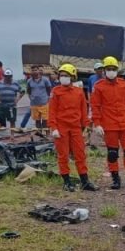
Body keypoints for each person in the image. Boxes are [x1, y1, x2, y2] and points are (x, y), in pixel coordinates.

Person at [90, 56, 125, 190]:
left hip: (124, 124)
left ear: (117, 70)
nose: (111, 71)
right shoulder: (99, 87)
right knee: (112, 153)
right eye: (108, 69)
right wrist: (97, 123)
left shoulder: (124, 85)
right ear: (104, 70)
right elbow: (95, 106)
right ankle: (115, 179)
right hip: (109, 126)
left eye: (113, 69)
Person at [49, 64, 97, 192]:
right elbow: (52, 111)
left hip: (76, 128)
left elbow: (83, 111)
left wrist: (87, 126)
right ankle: (67, 181)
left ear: (72, 77)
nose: (63, 78)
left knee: (80, 154)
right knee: (63, 156)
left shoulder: (79, 92)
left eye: (66, 76)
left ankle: (85, 181)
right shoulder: (56, 92)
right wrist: (53, 128)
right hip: (61, 128)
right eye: (62, 75)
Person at [0, 69, 22, 141]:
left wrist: (17, 99)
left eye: (9, 76)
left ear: (11, 76)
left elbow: (22, 91)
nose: (8, 78)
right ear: (4, 76)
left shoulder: (15, 83)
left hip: (11, 105)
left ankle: (12, 135)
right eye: (6, 76)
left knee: (12, 121)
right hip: (1, 105)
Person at [22, 65, 52, 131]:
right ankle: (40, 134)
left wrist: (48, 98)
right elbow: (28, 91)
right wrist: (31, 98)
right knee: (37, 121)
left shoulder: (45, 80)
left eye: (36, 70)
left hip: (44, 103)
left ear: (38, 71)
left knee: (45, 121)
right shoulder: (29, 81)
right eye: (33, 70)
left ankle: (46, 136)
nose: (34, 71)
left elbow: (49, 89)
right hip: (34, 104)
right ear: (31, 72)